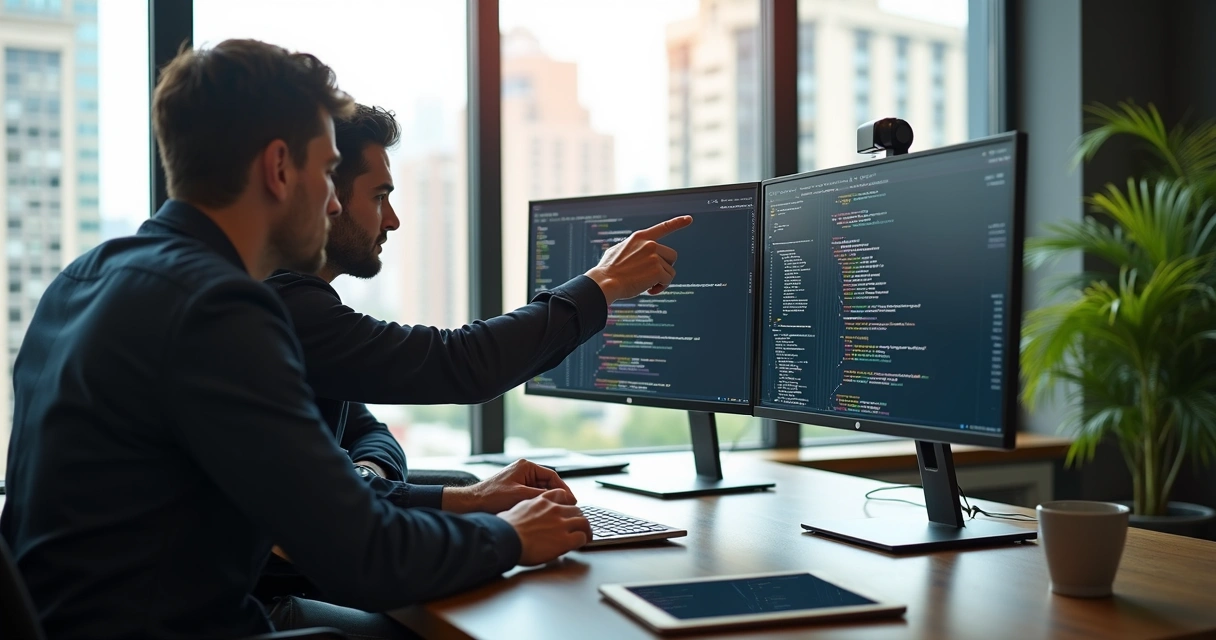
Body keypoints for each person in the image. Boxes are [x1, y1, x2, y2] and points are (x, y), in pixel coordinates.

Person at [0, 39, 596, 640]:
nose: (334, 199)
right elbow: (365, 557)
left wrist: (463, 506)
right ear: (280, 168)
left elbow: (322, 499)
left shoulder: (83, 278)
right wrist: (514, 535)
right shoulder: (217, 310)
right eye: (325, 170)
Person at [266, 104, 692, 499]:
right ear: (325, 198)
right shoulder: (284, 307)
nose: (393, 220)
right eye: (379, 197)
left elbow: (369, 432)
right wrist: (605, 281)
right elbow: (462, 362)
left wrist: (366, 479)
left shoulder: (299, 306)